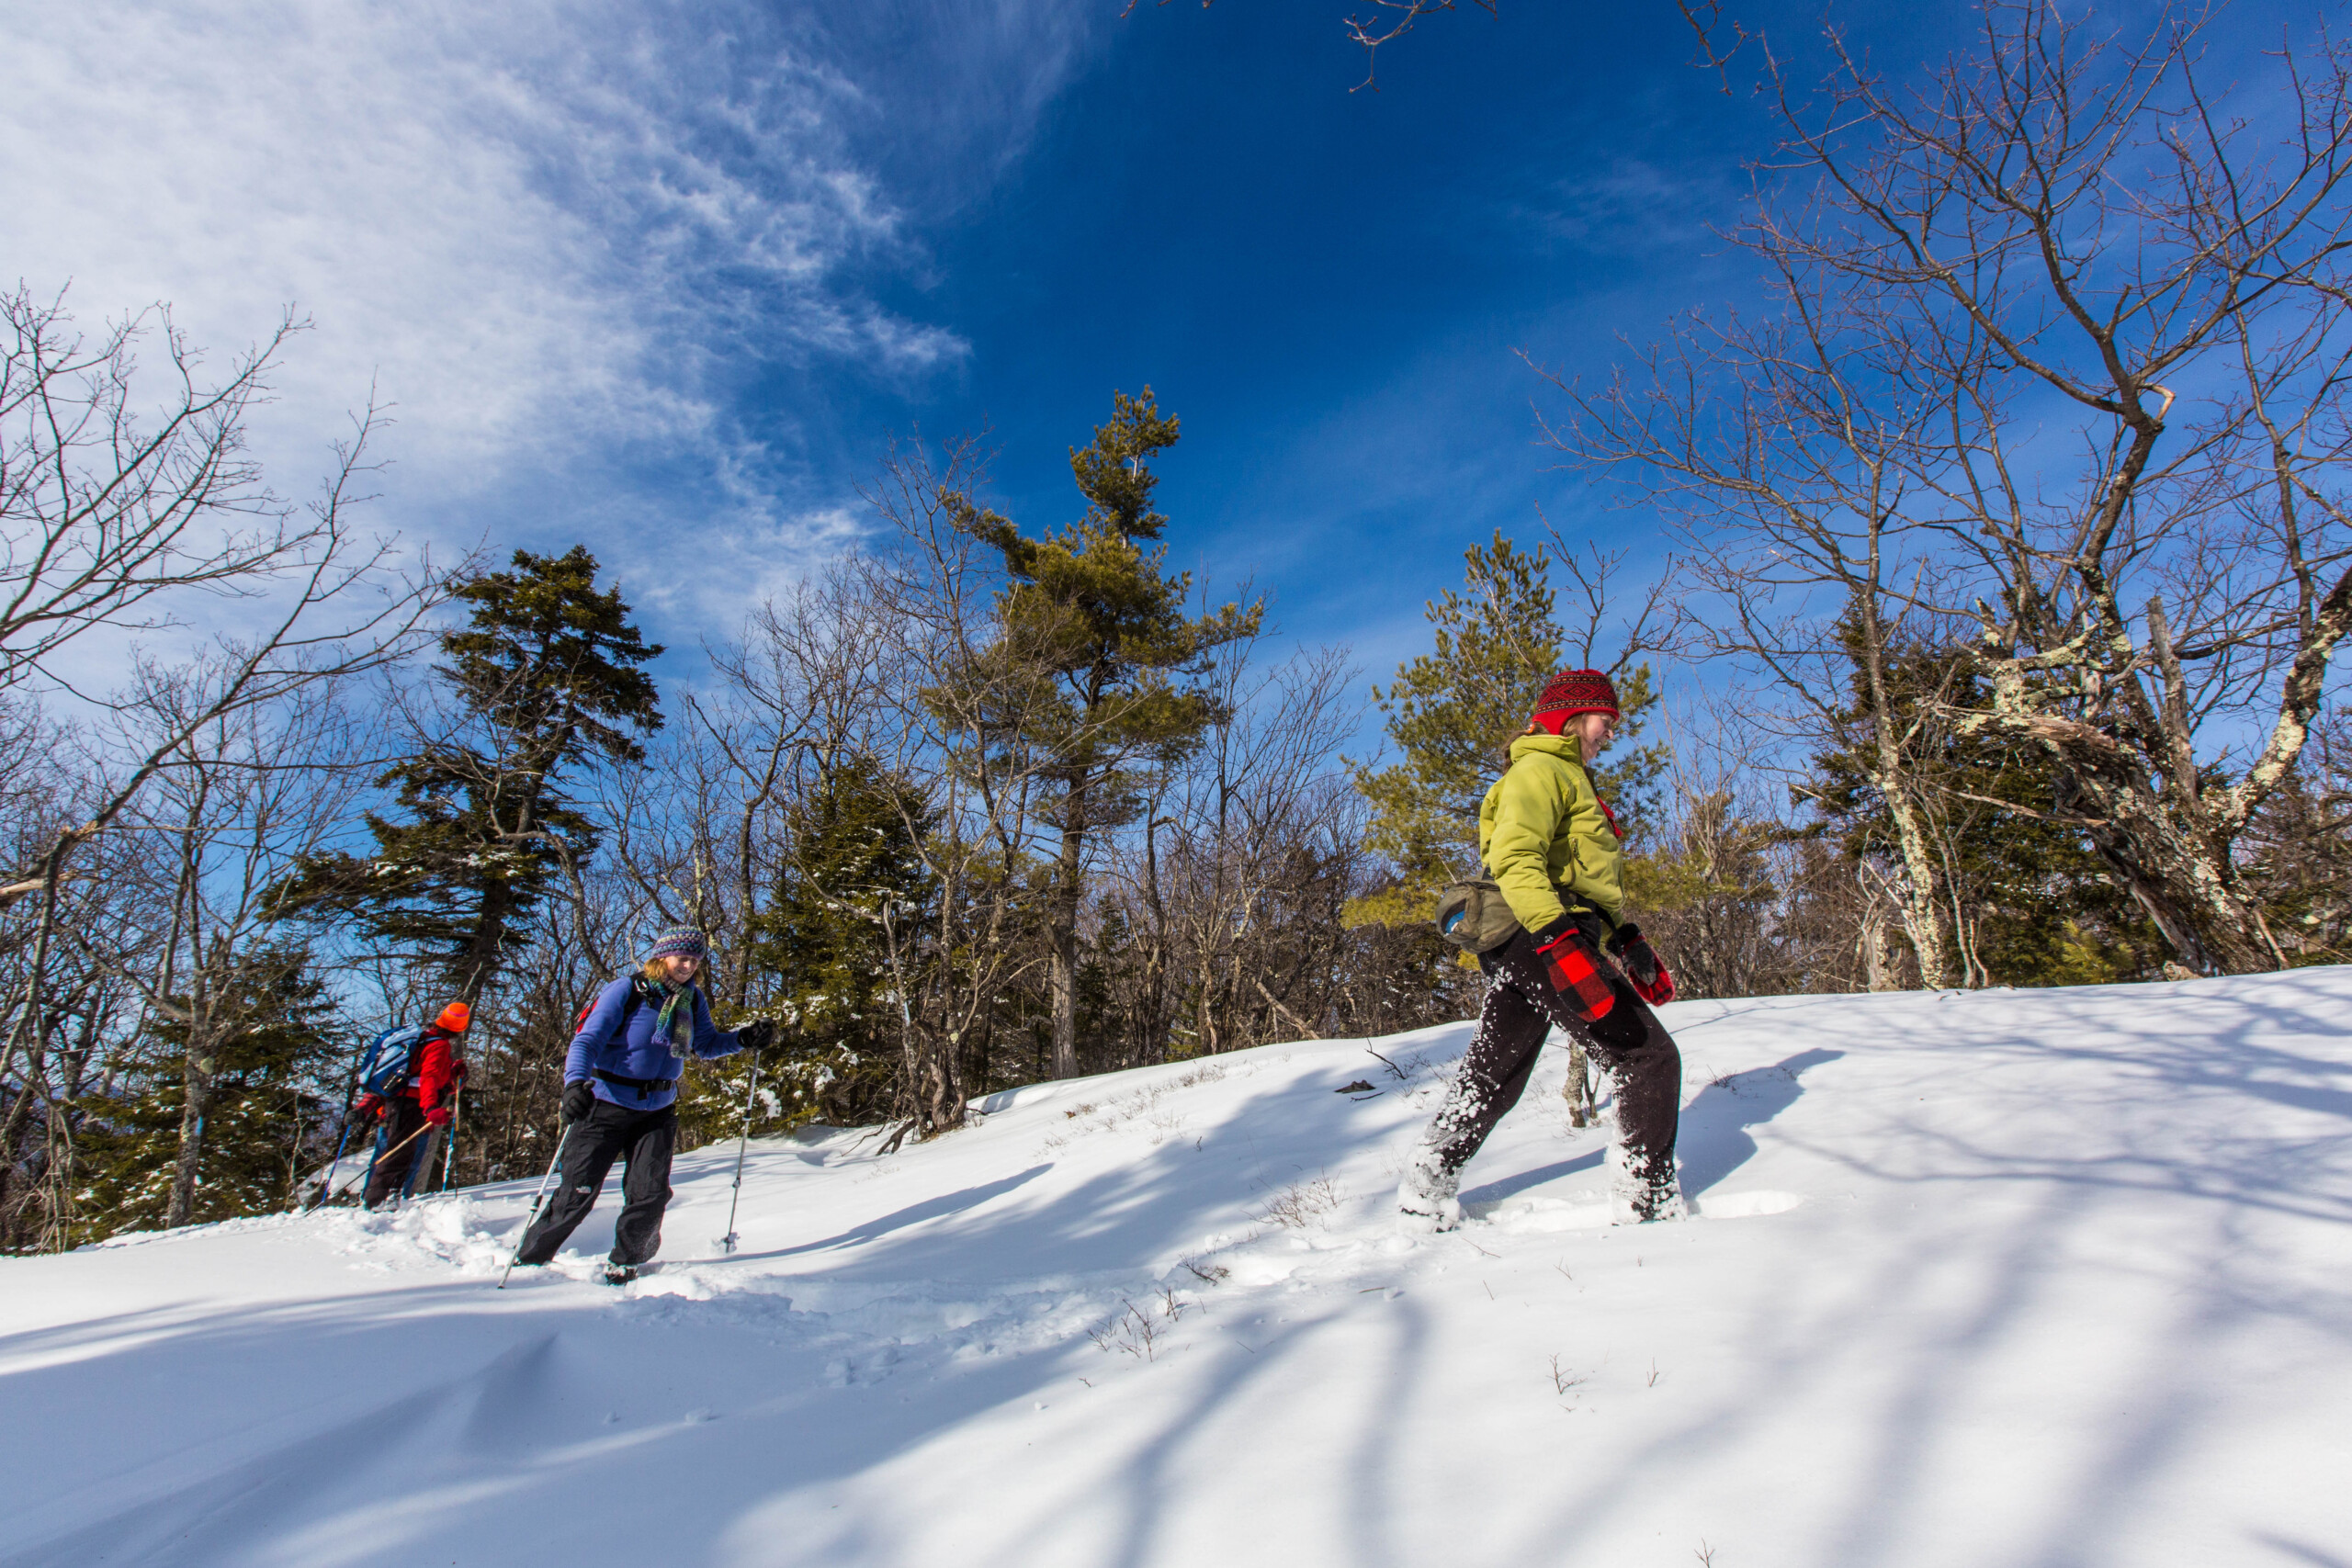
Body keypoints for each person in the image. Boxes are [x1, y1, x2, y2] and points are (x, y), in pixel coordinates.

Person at [1398, 668, 1685, 1231]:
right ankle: (1647, 1202)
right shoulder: (1541, 770)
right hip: (1539, 931)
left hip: (1540, 933)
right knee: (1645, 1056)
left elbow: (1580, 874)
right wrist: (1556, 939)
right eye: (1606, 720)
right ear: (1574, 717)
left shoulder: (1568, 775)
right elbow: (1514, 860)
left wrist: (1624, 936)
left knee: (1495, 1072)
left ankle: (1425, 1183)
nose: (1610, 733)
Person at [514, 927, 775, 1284]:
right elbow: (588, 1039)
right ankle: (529, 1260)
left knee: (650, 1193)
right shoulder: (627, 990)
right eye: (682, 957)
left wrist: (743, 1039)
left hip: (657, 1109)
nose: (688, 965)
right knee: (578, 1192)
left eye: (695, 959)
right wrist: (574, 1084)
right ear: (661, 956)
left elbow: (706, 1045)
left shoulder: (691, 999)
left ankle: (626, 1263)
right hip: (604, 1103)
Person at [356, 1001, 472, 1209]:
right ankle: (376, 1204)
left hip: (397, 1105)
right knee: (397, 1156)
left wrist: (453, 1075)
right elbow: (427, 1079)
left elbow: (429, 1078)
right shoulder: (439, 1045)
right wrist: (430, 1108)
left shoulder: (423, 1040)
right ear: (460, 1029)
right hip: (411, 1106)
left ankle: (384, 1201)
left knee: (398, 1154)